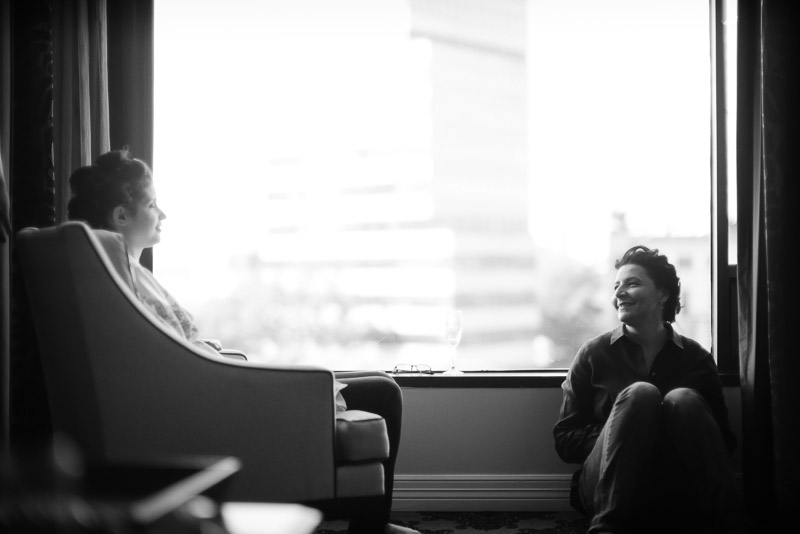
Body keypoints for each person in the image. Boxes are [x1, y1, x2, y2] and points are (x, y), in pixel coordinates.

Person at [67, 148, 419, 534]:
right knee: (382, 391)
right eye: (152, 204)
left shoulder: (123, 274)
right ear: (122, 215)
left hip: (211, 392)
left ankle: (371, 525)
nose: (163, 214)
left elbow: (171, 354)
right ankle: (371, 527)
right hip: (209, 404)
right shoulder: (128, 279)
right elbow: (174, 364)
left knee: (372, 384)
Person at [553, 246, 744, 534]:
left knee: (682, 398)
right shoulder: (593, 354)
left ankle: (729, 523)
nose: (619, 293)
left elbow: (723, 443)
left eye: (632, 283)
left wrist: (669, 426)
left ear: (662, 295)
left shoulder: (697, 359)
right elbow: (565, 440)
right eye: (616, 285)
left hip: (673, 487)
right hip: (604, 488)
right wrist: (623, 429)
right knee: (640, 394)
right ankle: (607, 529)